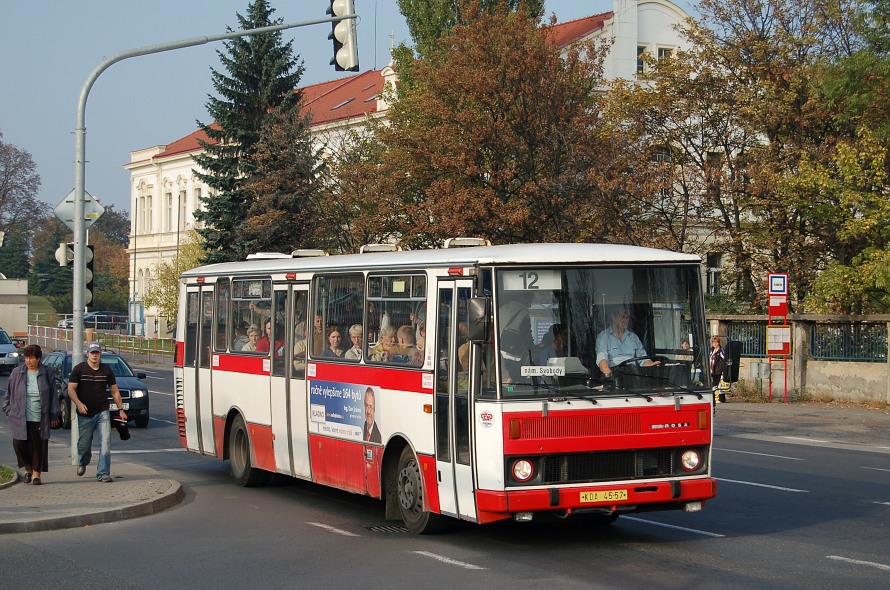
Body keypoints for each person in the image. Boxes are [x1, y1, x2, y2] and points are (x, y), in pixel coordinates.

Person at [68, 342, 127, 482]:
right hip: (85, 413)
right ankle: (83, 461)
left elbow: (114, 391)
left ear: (100, 354)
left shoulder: (106, 370)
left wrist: (121, 409)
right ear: (87, 354)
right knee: (84, 444)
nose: (94, 355)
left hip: (102, 411)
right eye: (92, 353)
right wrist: (79, 403)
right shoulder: (79, 369)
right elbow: (71, 389)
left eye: (97, 353)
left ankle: (103, 473)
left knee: (105, 442)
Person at [2, 344, 59, 485]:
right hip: (20, 416)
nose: (29, 361)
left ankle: (36, 475)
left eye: (32, 358)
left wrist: (54, 415)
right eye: (27, 358)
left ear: (39, 358)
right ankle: (27, 469)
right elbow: (8, 394)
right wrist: (8, 410)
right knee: (19, 444)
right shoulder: (17, 372)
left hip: (41, 416)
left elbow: (53, 395)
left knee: (38, 447)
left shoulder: (47, 372)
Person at [596, 308, 660, 378]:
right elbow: (602, 362)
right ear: (613, 317)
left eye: (628, 317)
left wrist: (652, 365)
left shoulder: (633, 337)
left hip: (633, 376)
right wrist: (611, 377)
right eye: (623, 317)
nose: (626, 320)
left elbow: (643, 359)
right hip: (615, 375)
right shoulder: (604, 337)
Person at [709, 336, 726, 400]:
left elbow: (724, 359)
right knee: (713, 384)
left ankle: (721, 398)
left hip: (718, 369)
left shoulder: (721, 350)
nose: (715, 344)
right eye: (713, 343)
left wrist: (723, 369)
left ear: (718, 343)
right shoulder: (712, 350)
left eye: (716, 343)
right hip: (712, 368)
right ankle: (714, 397)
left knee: (719, 384)